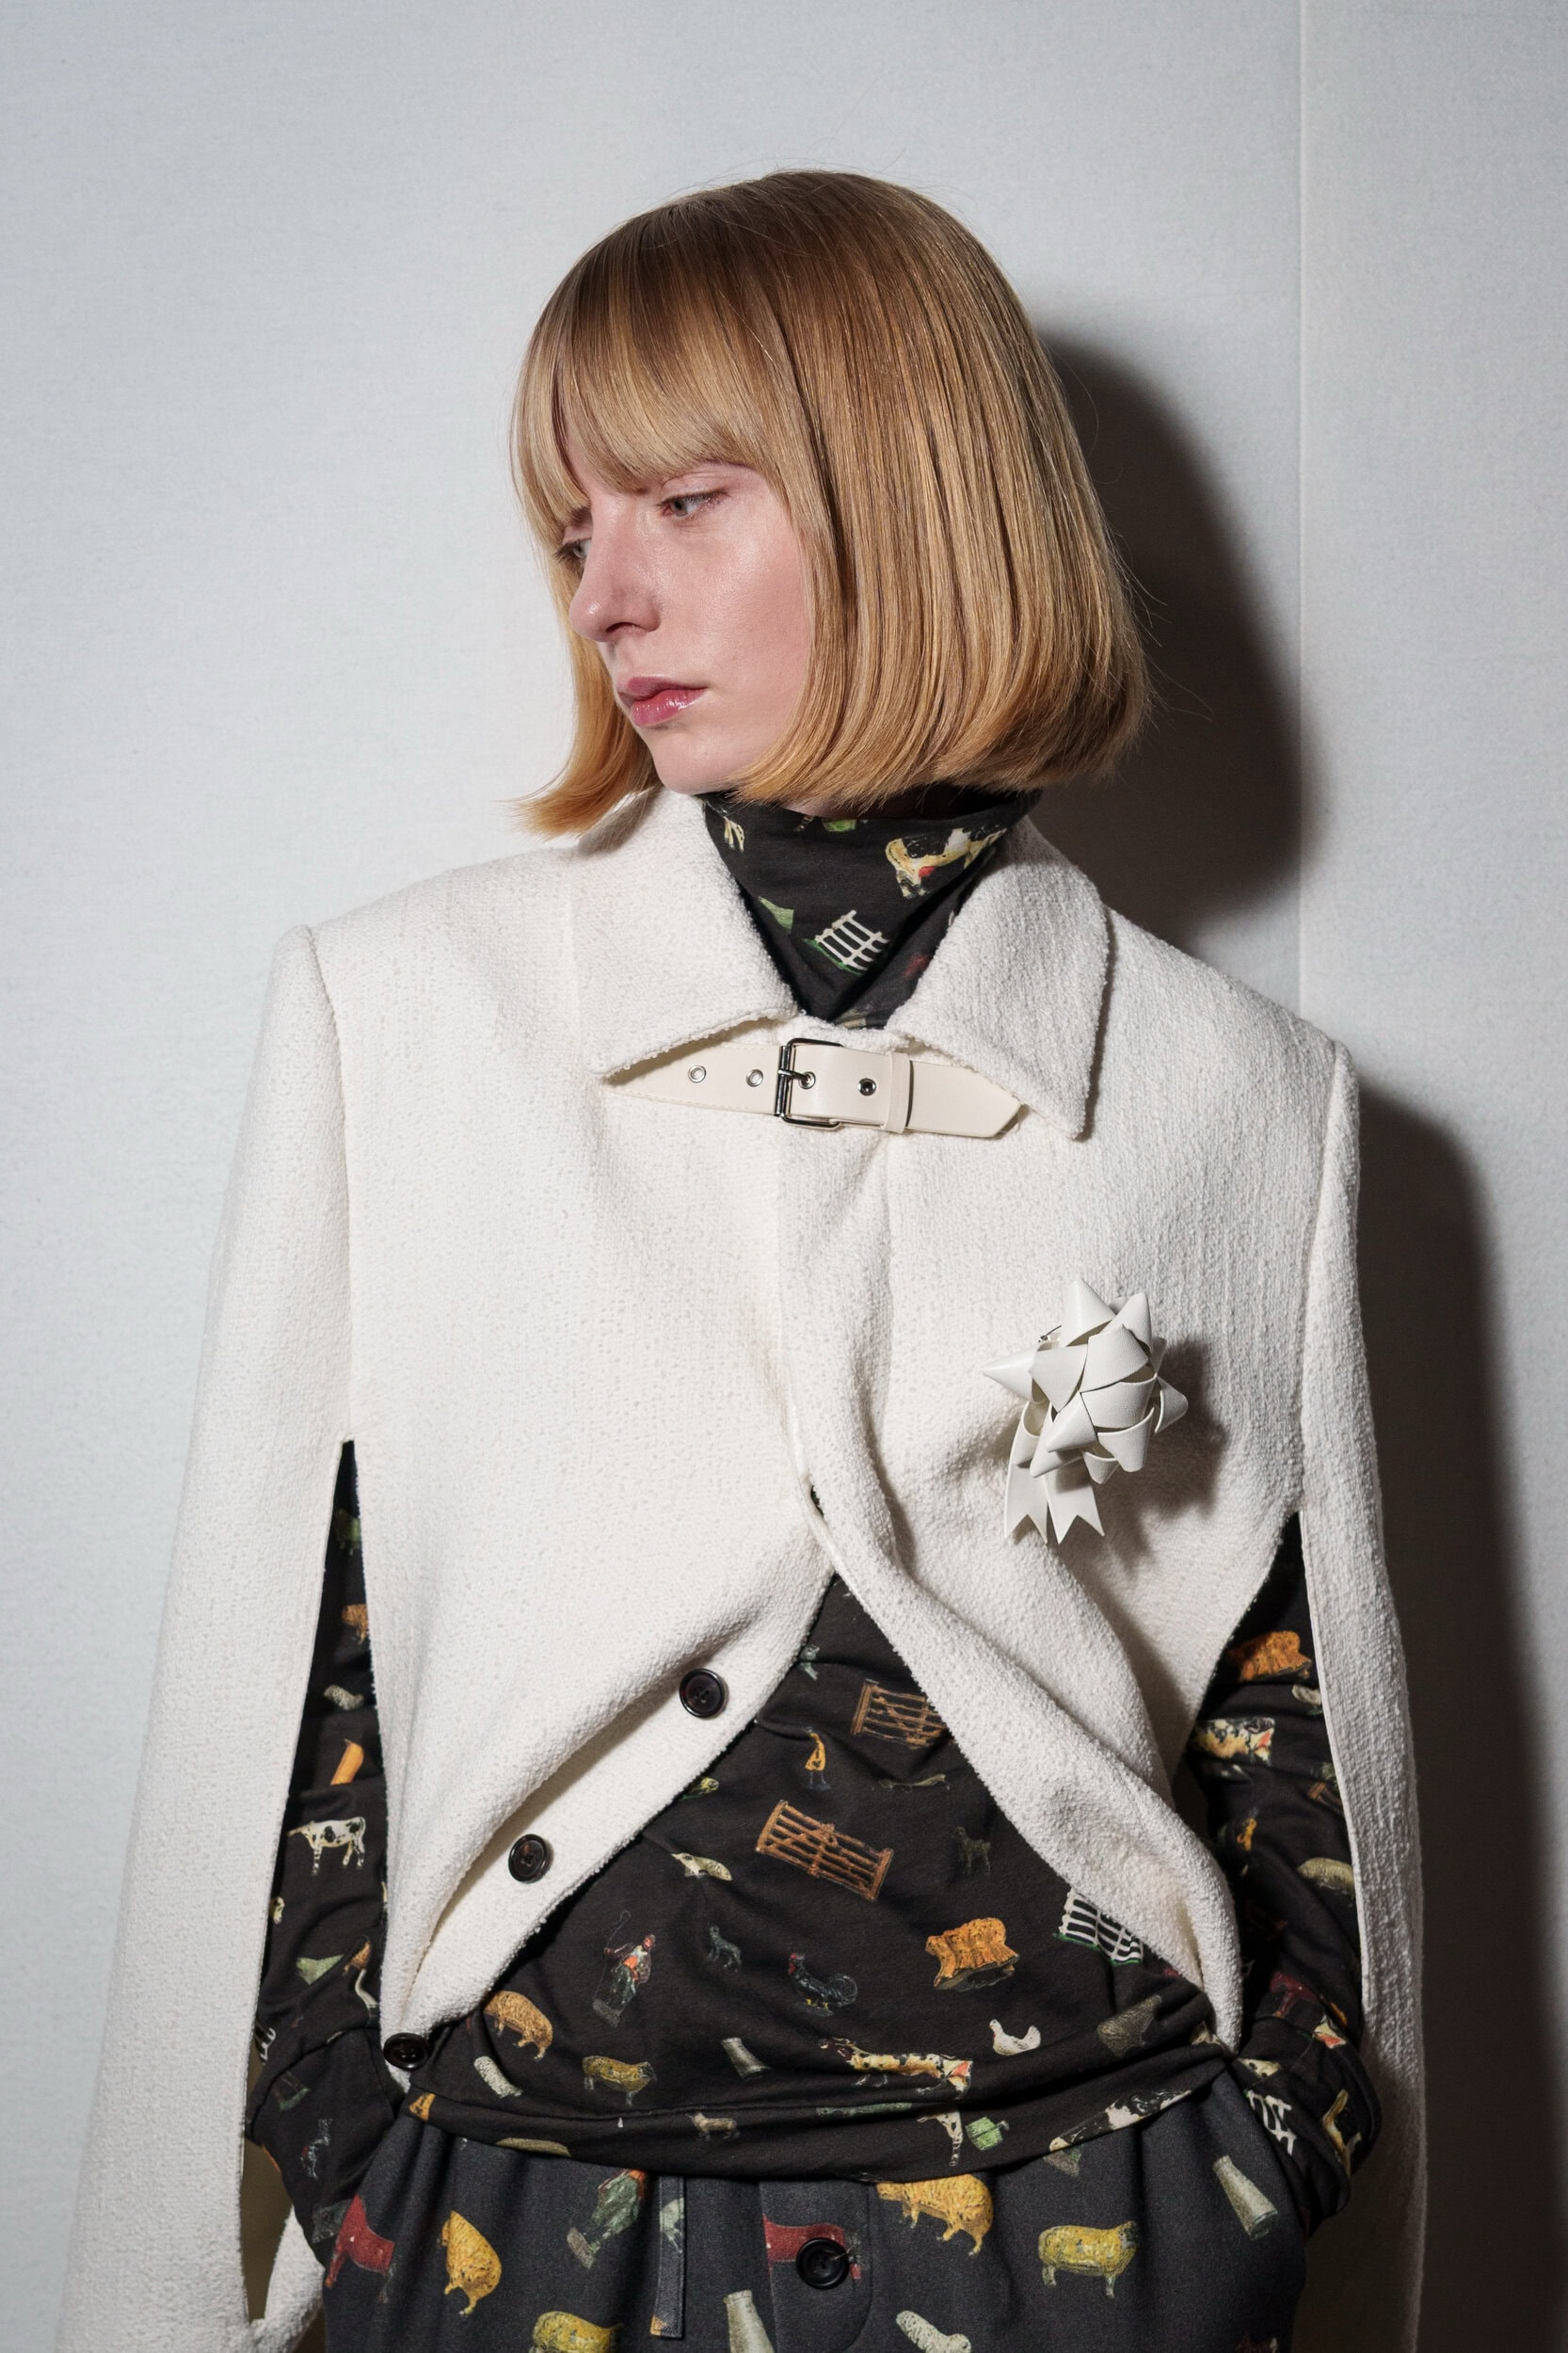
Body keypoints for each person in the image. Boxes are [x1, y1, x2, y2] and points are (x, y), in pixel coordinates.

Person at [57, 170, 1422, 2353]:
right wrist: (345, 2134)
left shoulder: (1245, 1093)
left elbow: (1299, 1720)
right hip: (510, 2221)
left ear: (916, 498)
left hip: (1095, 2224)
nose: (605, 595)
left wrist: (1267, 2147)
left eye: (684, 500)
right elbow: (291, 1668)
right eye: (570, 529)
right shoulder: (397, 1016)